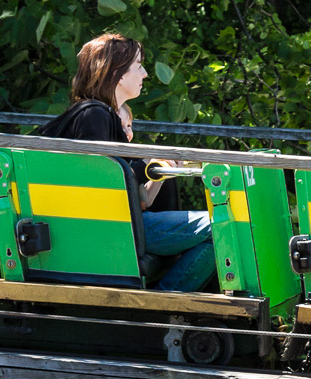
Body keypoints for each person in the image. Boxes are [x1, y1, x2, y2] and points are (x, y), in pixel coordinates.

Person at [38, 34, 215, 294]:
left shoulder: (101, 116)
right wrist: (144, 165)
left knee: (222, 225)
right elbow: (100, 178)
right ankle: (165, 301)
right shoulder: (93, 115)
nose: (145, 74)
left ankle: (168, 297)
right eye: (139, 65)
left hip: (117, 222)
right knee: (221, 224)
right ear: (118, 74)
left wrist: (154, 169)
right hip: (109, 228)